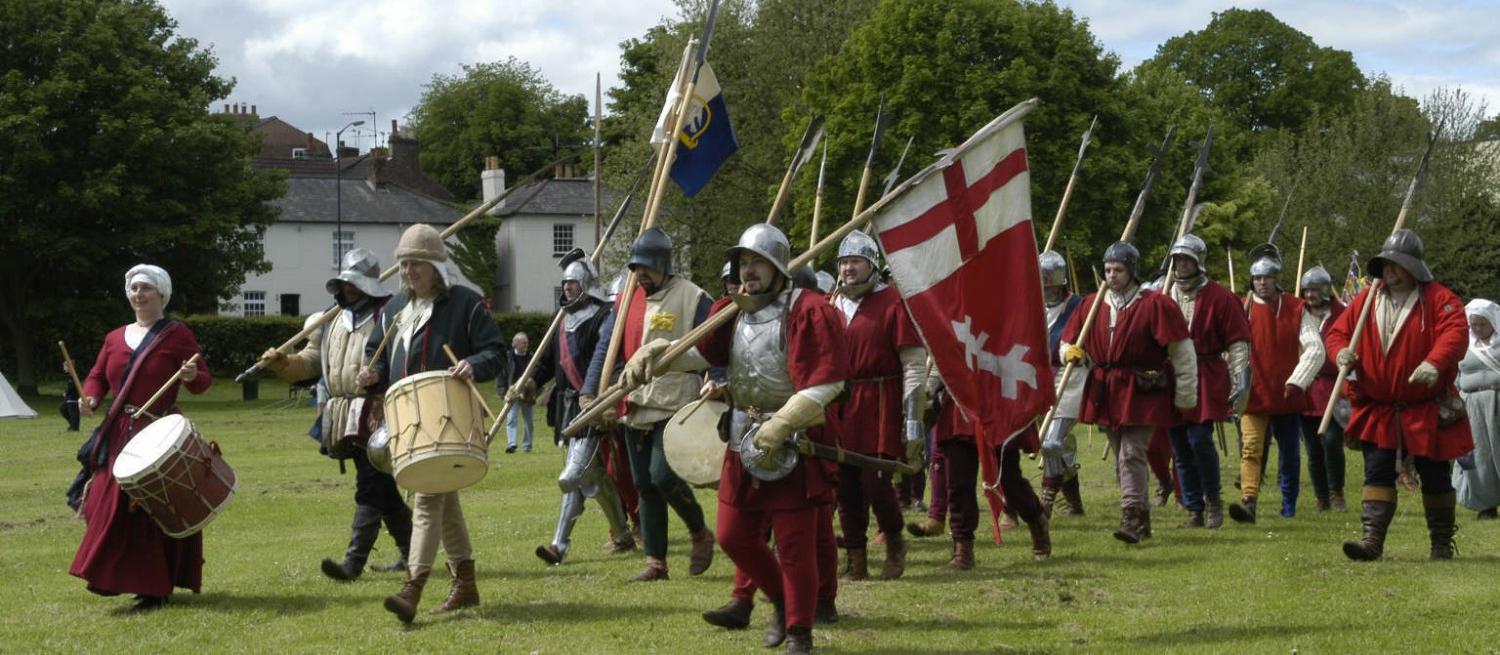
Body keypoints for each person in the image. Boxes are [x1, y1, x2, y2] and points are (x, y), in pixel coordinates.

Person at [688, 223, 846, 655]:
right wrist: (654, 356)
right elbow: (698, 353)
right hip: (743, 436)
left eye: (757, 261)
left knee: (795, 544)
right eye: (743, 262)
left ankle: (800, 631)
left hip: (794, 439)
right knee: (732, 534)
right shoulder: (732, 311)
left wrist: (783, 423)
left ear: (777, 265)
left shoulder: (809, 310)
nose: (748, 270)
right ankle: (779, 600)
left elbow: (827, 381)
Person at [357, 224, 506, 622]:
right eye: (404, 265)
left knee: (426, 497)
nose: (408, 272)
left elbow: (497, 353)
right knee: (444, 499)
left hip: (451, 418)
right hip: (408, 422)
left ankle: (412, 588)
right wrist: (370, 375)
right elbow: (377, 355)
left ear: (436, 266)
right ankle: (466, 584)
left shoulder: (466, 304)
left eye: (416, 265)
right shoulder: (393, 310)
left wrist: (472, 363)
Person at [260, 248, 412, 582]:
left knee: (371, 484)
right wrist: (283, 364)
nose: (350, 289)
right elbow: (312, 362)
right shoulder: (328, 320)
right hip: (343, 413)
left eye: (356, 283)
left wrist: (379, 379)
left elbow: (406, 361)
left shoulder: (391, 314)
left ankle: (352, 564)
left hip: (380, 410)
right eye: (346, 283)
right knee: (381, 487)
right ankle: (415, 552)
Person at [70, 264, 212, 612]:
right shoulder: (115, 337)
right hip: (118, 433)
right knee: (105, 504)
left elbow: (202, 381)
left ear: (162, 294)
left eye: (146, 288)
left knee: (152, 508)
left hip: (159, 431)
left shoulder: (176, 335)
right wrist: (89, 398)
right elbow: (97, 376)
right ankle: (122, 578)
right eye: (134, 288)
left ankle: (154, 588)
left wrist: (192, 373)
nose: (139, 294)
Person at [1328, 229, 1471, 561]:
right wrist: (1340, 354)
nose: (1390, 272)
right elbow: (1339, 333)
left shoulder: (1438, 298)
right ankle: (1372, 541)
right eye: (1386, 265)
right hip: (1378, 407)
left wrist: (1435, 362)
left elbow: (1455, 332)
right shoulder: (1367, 299)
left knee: (1435, 473)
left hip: (1426, 406)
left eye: (1396, 265)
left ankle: (1440, 543)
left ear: (1413, 267)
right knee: (1376, 470)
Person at [582, 226, 715, 582]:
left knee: (663, 475)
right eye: (636, 267)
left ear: (663, 266)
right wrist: (590, 390)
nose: (641, 274)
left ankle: (700, 532)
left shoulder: (692, 296)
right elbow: (605, 346)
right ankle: (656, 562)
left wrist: (717, 379)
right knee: (643, 484)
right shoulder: (628, 298)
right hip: (635, 403)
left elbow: (715, 342)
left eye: (647, 267)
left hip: (675, 402)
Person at [1060, 242, 1198, 543]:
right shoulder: (1091, 304)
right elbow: (1069, 341)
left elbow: (1181, 350)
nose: (1112, 275)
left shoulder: (1154, 304)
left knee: (1131, 454)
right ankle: (1142, 519)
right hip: (1106, 388)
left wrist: (1186, 392)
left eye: (1118, 270)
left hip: (1143, 387)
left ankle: (1131, 517)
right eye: (1108, 270)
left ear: (1131, 270)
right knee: (1122, 455)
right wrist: (1070, 353)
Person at [521, 252, 637, 564]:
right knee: (592, 476)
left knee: (571, 475)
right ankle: (623, 535)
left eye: (573, 283)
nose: (568, 288)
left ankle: (559, 546)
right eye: (565, 284)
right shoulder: (560, 319)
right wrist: (530, 383)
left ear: (586, 283)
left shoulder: (603, 316)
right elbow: (546, 362)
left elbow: (613, 360)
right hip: (567, 408)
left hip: (594, 406)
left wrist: (607, 399)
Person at [826, 230, 928, 580]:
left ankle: (895, 541)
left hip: (880, 402)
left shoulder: (893, 302)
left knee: (875, 481)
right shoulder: (830, 303)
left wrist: (912, 418)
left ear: (872, 265)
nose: (849, 268)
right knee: (845, 484)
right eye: (844, 262)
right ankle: (856, 558)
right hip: (839, 403)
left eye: (856, 261)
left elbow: (914, 363)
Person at [1229, 244, 1324, 522]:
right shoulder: (1241, 308)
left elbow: (1315, 349)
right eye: (1257, 278)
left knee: (1290, 455)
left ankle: (1288, 506)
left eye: (1267, 278)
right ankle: (1249, 502)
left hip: (1286, 394)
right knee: (1250, 448)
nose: (1262, 283)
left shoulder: (1296, 309)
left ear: (1276, 278)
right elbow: (1230, 349)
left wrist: (1298, 381)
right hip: (1253, 394)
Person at [1163, 235, 1250, 528]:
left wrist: (1240, 379)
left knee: (1200, 439)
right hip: (1172, 374)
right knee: (1178, 445)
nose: (1182, 265)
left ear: (1198, 261)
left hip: (1206, 372)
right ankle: (1194, 508)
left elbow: (1238, 342)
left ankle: (1213, 499)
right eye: (1178, 259)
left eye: (1187, 259)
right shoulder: (1163, 294)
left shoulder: (1221, 297)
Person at [1037, 251, 1088, 519]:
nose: (1046, 290)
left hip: (1070, 381)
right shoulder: (1030, 307)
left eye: (1050, 284)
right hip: (1039, 381)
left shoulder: (1079, 307)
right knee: (1061, 447)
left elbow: (1095, 341)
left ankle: (1045, 500)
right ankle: (1075, 503)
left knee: (1052, 443)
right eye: (1041, 284)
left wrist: (1080, 352)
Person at [1299, 266, 1349, 512]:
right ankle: (1321, 497)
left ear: (1325, 290)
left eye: (1314, 290)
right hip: (1305, 387)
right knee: (1312, 448)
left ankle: (1336, 492)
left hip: (1332, 387)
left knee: (1331, 442)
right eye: (1306, 290)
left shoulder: (1342, 314)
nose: (1310, 295)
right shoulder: (1298, 314)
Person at [1454, 299, 1500, 519]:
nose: (1478, 329)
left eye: (1483, 324)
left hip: (1497, 404)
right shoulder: (1465, 344)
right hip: (1471, 407)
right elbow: (1455, 375)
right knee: (1478, 454)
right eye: (1474, 325)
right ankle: (1486, 504)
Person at [503, 332, 536, 453]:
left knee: (529, 422)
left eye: (527, 342)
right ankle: (512, 444)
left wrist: (534, 390)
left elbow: (536, 374)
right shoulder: (508, 357)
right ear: (515, 344)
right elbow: (502, 376)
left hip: (528, 393)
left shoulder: (532, 357)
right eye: (524, 342)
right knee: (511, 419)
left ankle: (527, 446)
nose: (527, 344)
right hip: (513, 392)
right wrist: (503, 393)